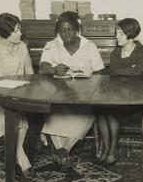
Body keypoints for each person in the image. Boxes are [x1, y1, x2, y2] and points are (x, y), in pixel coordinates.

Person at [39, 11, 105, 169]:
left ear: (77, 30)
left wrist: (89, 84)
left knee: (82, 115)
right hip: (59, 92)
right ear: (58, 32)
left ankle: (61, 151)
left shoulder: (89, 46)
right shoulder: (52, 45)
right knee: (55, 115)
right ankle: (63, 152)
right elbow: (42, 66)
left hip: (83, 94)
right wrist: (54, 70)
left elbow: (99, 71)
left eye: (70, 30)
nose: (66, 33)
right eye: (62, 30)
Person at [0, 13, 37, 178]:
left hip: (16, 98)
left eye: (19, 29)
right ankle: (23, 161)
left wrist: (30, 89)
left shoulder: (22, 47)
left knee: (20, 122)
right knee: (9, 122)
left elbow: (30, 74)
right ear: (5, 33)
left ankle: (17, 158)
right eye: (16, 31)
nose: (20, 33)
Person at [96, 18, 143, 165]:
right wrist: (127, 70)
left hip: (137, 98)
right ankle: (107, 149)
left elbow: (137, 72)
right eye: (116, 33)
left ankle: (112, 150)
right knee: (101, 109)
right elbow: (118, 73)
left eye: (120, 33)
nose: (116, 36)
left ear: (130, 34)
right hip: (117, 94)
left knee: (111, 110)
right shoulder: (115, 53)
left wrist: (118, 71)